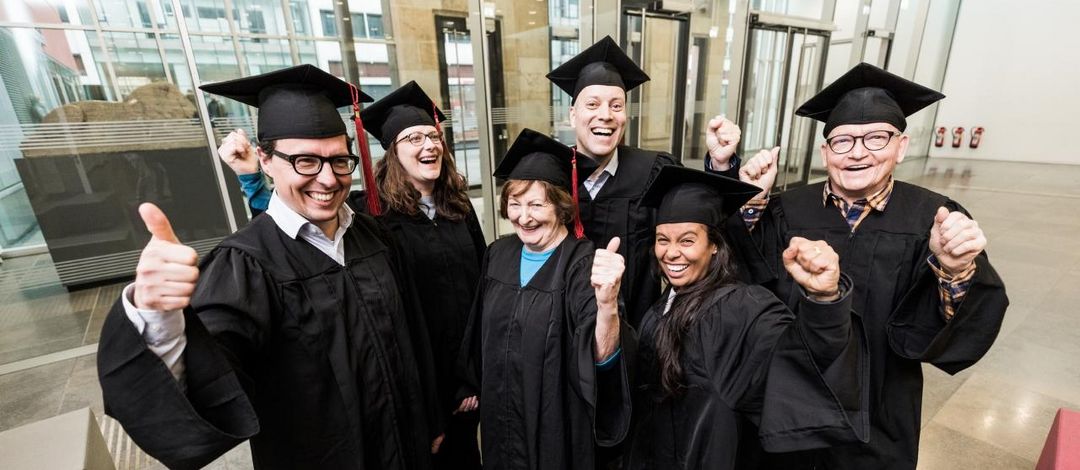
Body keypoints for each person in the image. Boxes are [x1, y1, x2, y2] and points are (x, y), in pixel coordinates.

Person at [96, 65, 443, 470]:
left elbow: (415, 335)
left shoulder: (375, 237)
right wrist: (157, 315)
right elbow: (210, 378)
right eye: (305, 161)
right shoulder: (245, 264)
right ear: (265, 159)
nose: (328, 179)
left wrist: (429, 418)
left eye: (339, 160)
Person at [714, 63, 1009, 469]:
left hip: (879, 406)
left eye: (876, 138)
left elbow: (958, 324)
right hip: (790, 398)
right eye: (843, 141)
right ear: (825, 152)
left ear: (901, 146)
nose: (857, 151)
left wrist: (955, 269)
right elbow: (742, 275)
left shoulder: (933, 217)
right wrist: (750, 204)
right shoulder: (786, 209)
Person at [218, 81, 486, 469]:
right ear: (392, 151)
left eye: (432, 135)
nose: (428, 144)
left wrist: (474, 373)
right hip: (411, 375)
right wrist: (252, 180)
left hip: (451, 372)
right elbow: (295, 238)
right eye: (413, 137)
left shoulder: (459, 208)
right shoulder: (371, 215)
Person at [625, 165, 869, 470]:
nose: (671, 253)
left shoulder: (742, 307)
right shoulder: (665, 303)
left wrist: (824, 300)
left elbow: (803, 354)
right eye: (663, 240)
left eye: (687, 240)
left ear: (714, 245)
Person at [457, 128, 633, 470]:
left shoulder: (582, 263)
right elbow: (479, 327)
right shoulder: (498, 253)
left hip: (555, 423)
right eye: (515, 203)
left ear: (562, 206)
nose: (524, 217)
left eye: (537, 204)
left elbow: (600, 356)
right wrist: (468, 383)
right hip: (499, 417)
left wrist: (607, 306)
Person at [546, 36, 742, 327]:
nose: (606, 115)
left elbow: (706, 226)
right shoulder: (551, 177)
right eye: (592, 104)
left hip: (638, 329)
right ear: (573, 115)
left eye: (616, 105)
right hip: (562, 328)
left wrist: (721, 164)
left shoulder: (653, 171)